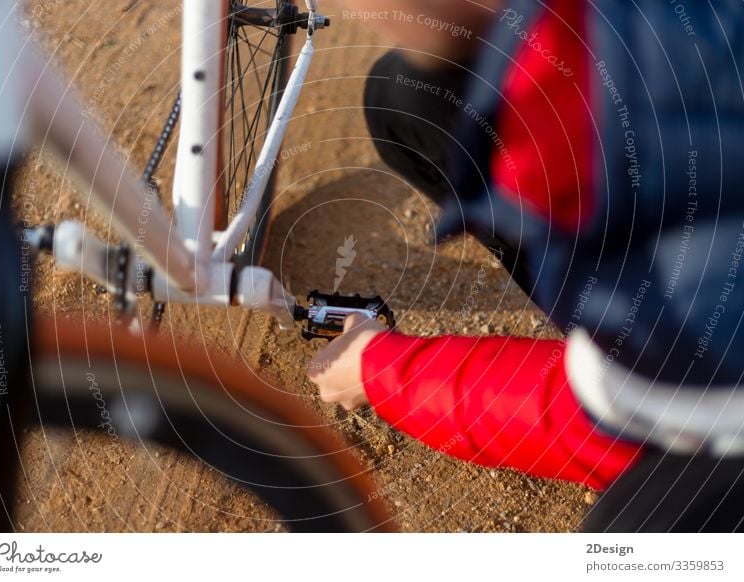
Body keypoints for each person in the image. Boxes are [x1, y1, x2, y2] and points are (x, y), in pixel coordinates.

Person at [309, 0, 744, 531]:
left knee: (640, 536)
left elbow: (599, 424)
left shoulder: (710, 299)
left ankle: (608, 340)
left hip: (697, 391)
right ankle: (590, 318)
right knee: (410, 93)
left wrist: (385, 372)